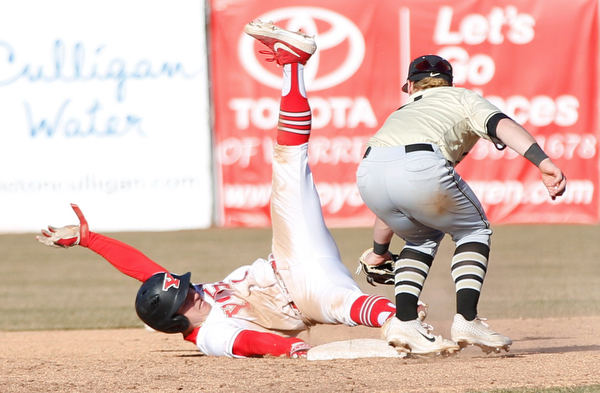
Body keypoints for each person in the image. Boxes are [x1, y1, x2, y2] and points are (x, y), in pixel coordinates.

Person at [36, 21, 429, 359]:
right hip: (303, 299)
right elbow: (247, 342)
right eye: (186, 297)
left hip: (291, 261)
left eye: (186, 287)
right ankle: (404, 317)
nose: (193, 292)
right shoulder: (209, 334)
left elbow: (145, 271)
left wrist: (90, 239)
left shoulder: (187, 296)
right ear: (176, 320)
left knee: (287, 169)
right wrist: (290, 349)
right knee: (337, 301)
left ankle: (293, 64)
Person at [356, 54, 567, 355]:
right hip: (421, 164)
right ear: (448, 83)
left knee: (420, 237)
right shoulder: (461, 97)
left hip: (368, 170)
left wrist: (378, 253)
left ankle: (404, 320)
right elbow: (501, 125)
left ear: (412, 86)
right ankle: (467, 319)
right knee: (474, 231)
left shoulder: (402, 112)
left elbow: (393, 195)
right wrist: (542, 163)